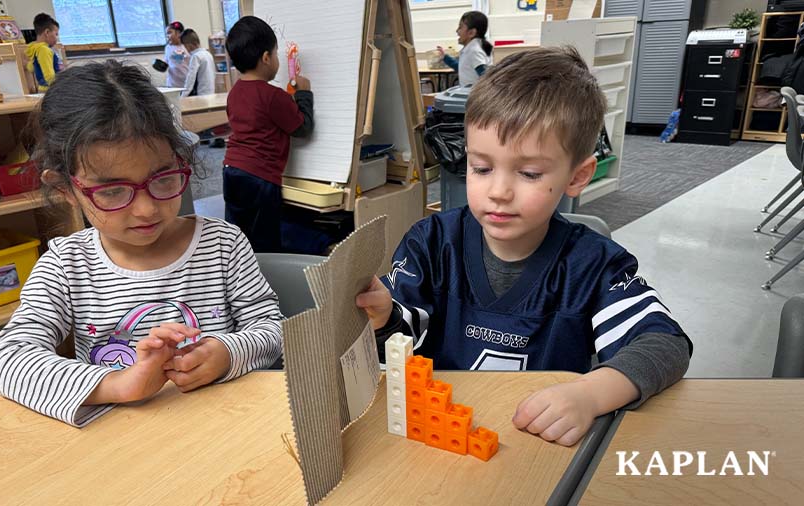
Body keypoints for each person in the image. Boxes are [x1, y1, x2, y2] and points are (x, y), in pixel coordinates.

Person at [356, 47, 691, 447]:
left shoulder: (594, 265)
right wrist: (382, 316)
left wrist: (589, 393)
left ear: (577, 176)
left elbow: (664, 344)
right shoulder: (431, 243)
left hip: (539, 446)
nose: (498, 192)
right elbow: (404, 337)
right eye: (481, 168)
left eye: (529, 173)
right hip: (441, 441)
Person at [0, 61, 283, 427]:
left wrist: (227, 352)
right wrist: (117, 384)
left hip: (223, 427)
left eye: (162, 179)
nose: (146, 209)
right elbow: (10, 360)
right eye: (112, 191)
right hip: (123, 448)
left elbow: (273, 329)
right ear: (66, 189)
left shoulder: (222, 244)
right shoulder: (67, 265)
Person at [222, 16, 314, 252]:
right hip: (260, 178)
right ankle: (264, 283)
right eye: (275, 54)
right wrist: (304, 94)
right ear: (266, 58)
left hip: (231, 170)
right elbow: (302, 128)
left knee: (238, 237)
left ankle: (239, 279)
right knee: (266, 241)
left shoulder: (234, 92)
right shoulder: (274, 96)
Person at [436, 11, 493, 87]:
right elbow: (462, 68)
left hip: (474, 95)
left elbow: (485, 75)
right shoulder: (471, 48)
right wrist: (445, 57)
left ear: (471, 33)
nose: (457, 31)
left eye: (460, 27)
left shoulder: (474, 50)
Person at [26, 13, 62, 92]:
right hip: (50, 90)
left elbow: (31, 67)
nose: (57, 38)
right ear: (47, 32)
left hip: (43, 89)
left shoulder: (36, 49)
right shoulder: (44, 50)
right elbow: (49, 76)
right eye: (56, 34)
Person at [179, 28, 217, 97]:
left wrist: (182, 96)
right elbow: (214, 74)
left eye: (184, 46)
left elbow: (190, 79)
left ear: (188, 45)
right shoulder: (208, 54)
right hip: (211, 93)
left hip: (201, 95)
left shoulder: (196, 57)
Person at [164, 20, 189, 88]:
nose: (167, 36)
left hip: (186, 85)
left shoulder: (187, 47)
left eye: (169, 33)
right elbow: (166, 63)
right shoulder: (168, 48)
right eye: (166, 34)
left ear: (178, 33)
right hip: (172, 85)